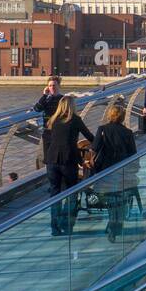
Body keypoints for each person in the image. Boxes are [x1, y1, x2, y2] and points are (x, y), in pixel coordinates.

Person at [44, 96, 93, 236]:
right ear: (72, 106)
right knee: (72, 192)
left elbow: (48, 141)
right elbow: (89, 136)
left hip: (52, 160)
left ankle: (54, 227)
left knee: (55, 193)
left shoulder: (52, 120)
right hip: (68, 160)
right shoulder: (75, 120)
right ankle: (66, 224)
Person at [91, 101, 139, 242]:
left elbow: (94, 148)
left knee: (111, 198)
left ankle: (112, 223)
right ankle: (116, 224)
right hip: (122, 171)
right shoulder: (128, 133)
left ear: (109, 115)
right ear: (123, 117)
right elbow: (133, 154)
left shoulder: (102, 129)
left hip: (105, 171)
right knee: (120, 198)